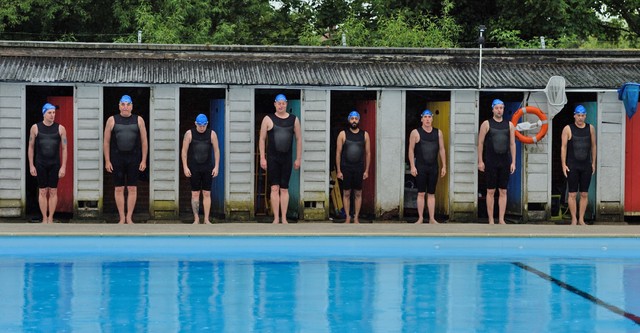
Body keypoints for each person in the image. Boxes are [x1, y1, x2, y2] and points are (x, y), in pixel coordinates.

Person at [103, 95, 148, 224]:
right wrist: (107, 160)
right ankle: (122, 217)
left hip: (134, 159)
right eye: (123, 104)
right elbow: (106, 142)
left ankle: (129, 217)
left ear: (132, 106)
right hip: (117, 158)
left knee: (132, 188)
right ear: (119, 106)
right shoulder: (112, 120)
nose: (125, 107)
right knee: (119, 188)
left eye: (128, 105)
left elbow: (144, 142)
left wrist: (144, 160)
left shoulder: (139, 120)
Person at [259, 94, 302, 224]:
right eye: (279, 103)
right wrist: (262, 157)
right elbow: (262, 139)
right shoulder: (268, 119)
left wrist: (298, 158)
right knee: (274, 188)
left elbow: (299, 139)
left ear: (287, 104)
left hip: (286, 159)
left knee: (284, 188)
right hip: (272, 159)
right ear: (275, 104)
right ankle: (276, 218)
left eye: (283, 103)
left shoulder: (294, 120)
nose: (281, 106)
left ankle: (284, 218)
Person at [28, 103, 68, 223]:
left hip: (54, 163)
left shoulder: (61, 128)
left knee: (53, 191)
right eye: (50, 113)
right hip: (40, 163)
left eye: (54, 113)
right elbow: (31, 147)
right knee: (42, 191)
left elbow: (65, 148)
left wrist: (63, 166)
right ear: (44, 113)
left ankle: (50, 218)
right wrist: (31, 165)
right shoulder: (35, 128)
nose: (52, 115)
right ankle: (44, 218)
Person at [478, 99, 516, 224]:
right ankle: (490, 220)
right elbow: (480, 143)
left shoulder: (509, 125)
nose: (499, 110)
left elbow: (512, 144)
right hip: (491, 161)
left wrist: (513, 162)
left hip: (504, 161)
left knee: (503, 191)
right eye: (497, 108)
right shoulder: (486, 124)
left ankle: (501, 219)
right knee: (490, 191)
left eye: (501, 108)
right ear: (493, 109)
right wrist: (480, 161)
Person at [408, 109, 447, 224]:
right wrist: (412, 166)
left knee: (431, 193)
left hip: (433, 167)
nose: (427, 119)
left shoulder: (438, 133)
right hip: (420, 167)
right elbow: (411, 150)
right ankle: (420, 218)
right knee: (421, 193)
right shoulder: (415, 133)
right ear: (421, 119)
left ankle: (431, 218)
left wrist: (444, 166)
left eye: (429, 117)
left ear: (432, 119)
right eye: (425, 117)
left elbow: (442, 149)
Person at [181, 114, 220, 224]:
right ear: (195, 124)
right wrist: (185, 166)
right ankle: (196, 218)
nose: (202, 128)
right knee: (195, 193)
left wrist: (216, 166)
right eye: (200, 126)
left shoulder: (212, 134)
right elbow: (184, 151)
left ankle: (206, 219)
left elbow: (217, 151)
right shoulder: (189, 134)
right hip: (194, 168)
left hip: (207, 167)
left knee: (207, 193)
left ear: (207, 124)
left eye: (204, 126)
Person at [561, 105, 596, 226]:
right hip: (572, 165)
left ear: (585, 116)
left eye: (582, 116)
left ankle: (581, 219)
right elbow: (563, 147)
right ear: (574, 116)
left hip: (586, 165)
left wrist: (593, 162)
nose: (580, 118)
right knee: (572, 194)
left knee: (584, 193)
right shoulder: (568, 129)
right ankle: (573, 219)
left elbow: (593, 146)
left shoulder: (590, 128)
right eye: (578, 116)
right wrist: (563, 164)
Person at [335, 111, 371, 224]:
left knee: (358, 193)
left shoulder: (365, 135)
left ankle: (356, 218)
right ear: (349, 120)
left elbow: (368, 153)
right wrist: (339, 170)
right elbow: (338, 153)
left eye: (356, 118)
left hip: (359, 167)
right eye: (352, 118)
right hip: (346, 167)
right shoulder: (343, 134)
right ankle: (347, 217)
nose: (354, 121)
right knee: (346, 193)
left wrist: (367, 170)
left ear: (359, 120)